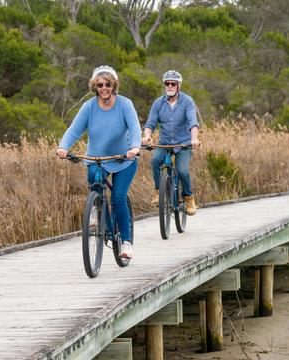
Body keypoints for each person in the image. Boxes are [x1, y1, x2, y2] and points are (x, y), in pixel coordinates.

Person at [56, 65, 141, 259]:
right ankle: (97, 214)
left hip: (123, 159)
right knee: (95, 183)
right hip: (97, 158)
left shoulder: (125, 104)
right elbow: (74, 129)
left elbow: (135, 127)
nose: (104, 88)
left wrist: (134, 148)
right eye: (100, 84)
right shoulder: (89, 107)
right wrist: (63, 147)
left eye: (108, 84)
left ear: (114, 86)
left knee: (118, 198)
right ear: (95, 86)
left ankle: (126, 243)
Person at [142, 70, 200, 216]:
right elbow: (150, 123)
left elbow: (193, 122)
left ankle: (188, 198)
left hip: (183, 144)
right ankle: (157, 191)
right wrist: (147, 136)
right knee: (155, 160)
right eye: (167, 84)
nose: (170, 86)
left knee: (182, 171)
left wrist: (194, 139)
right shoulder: (158, 103)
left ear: (178, 85)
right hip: (165, 143)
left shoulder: (187, 102)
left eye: (173, 84)